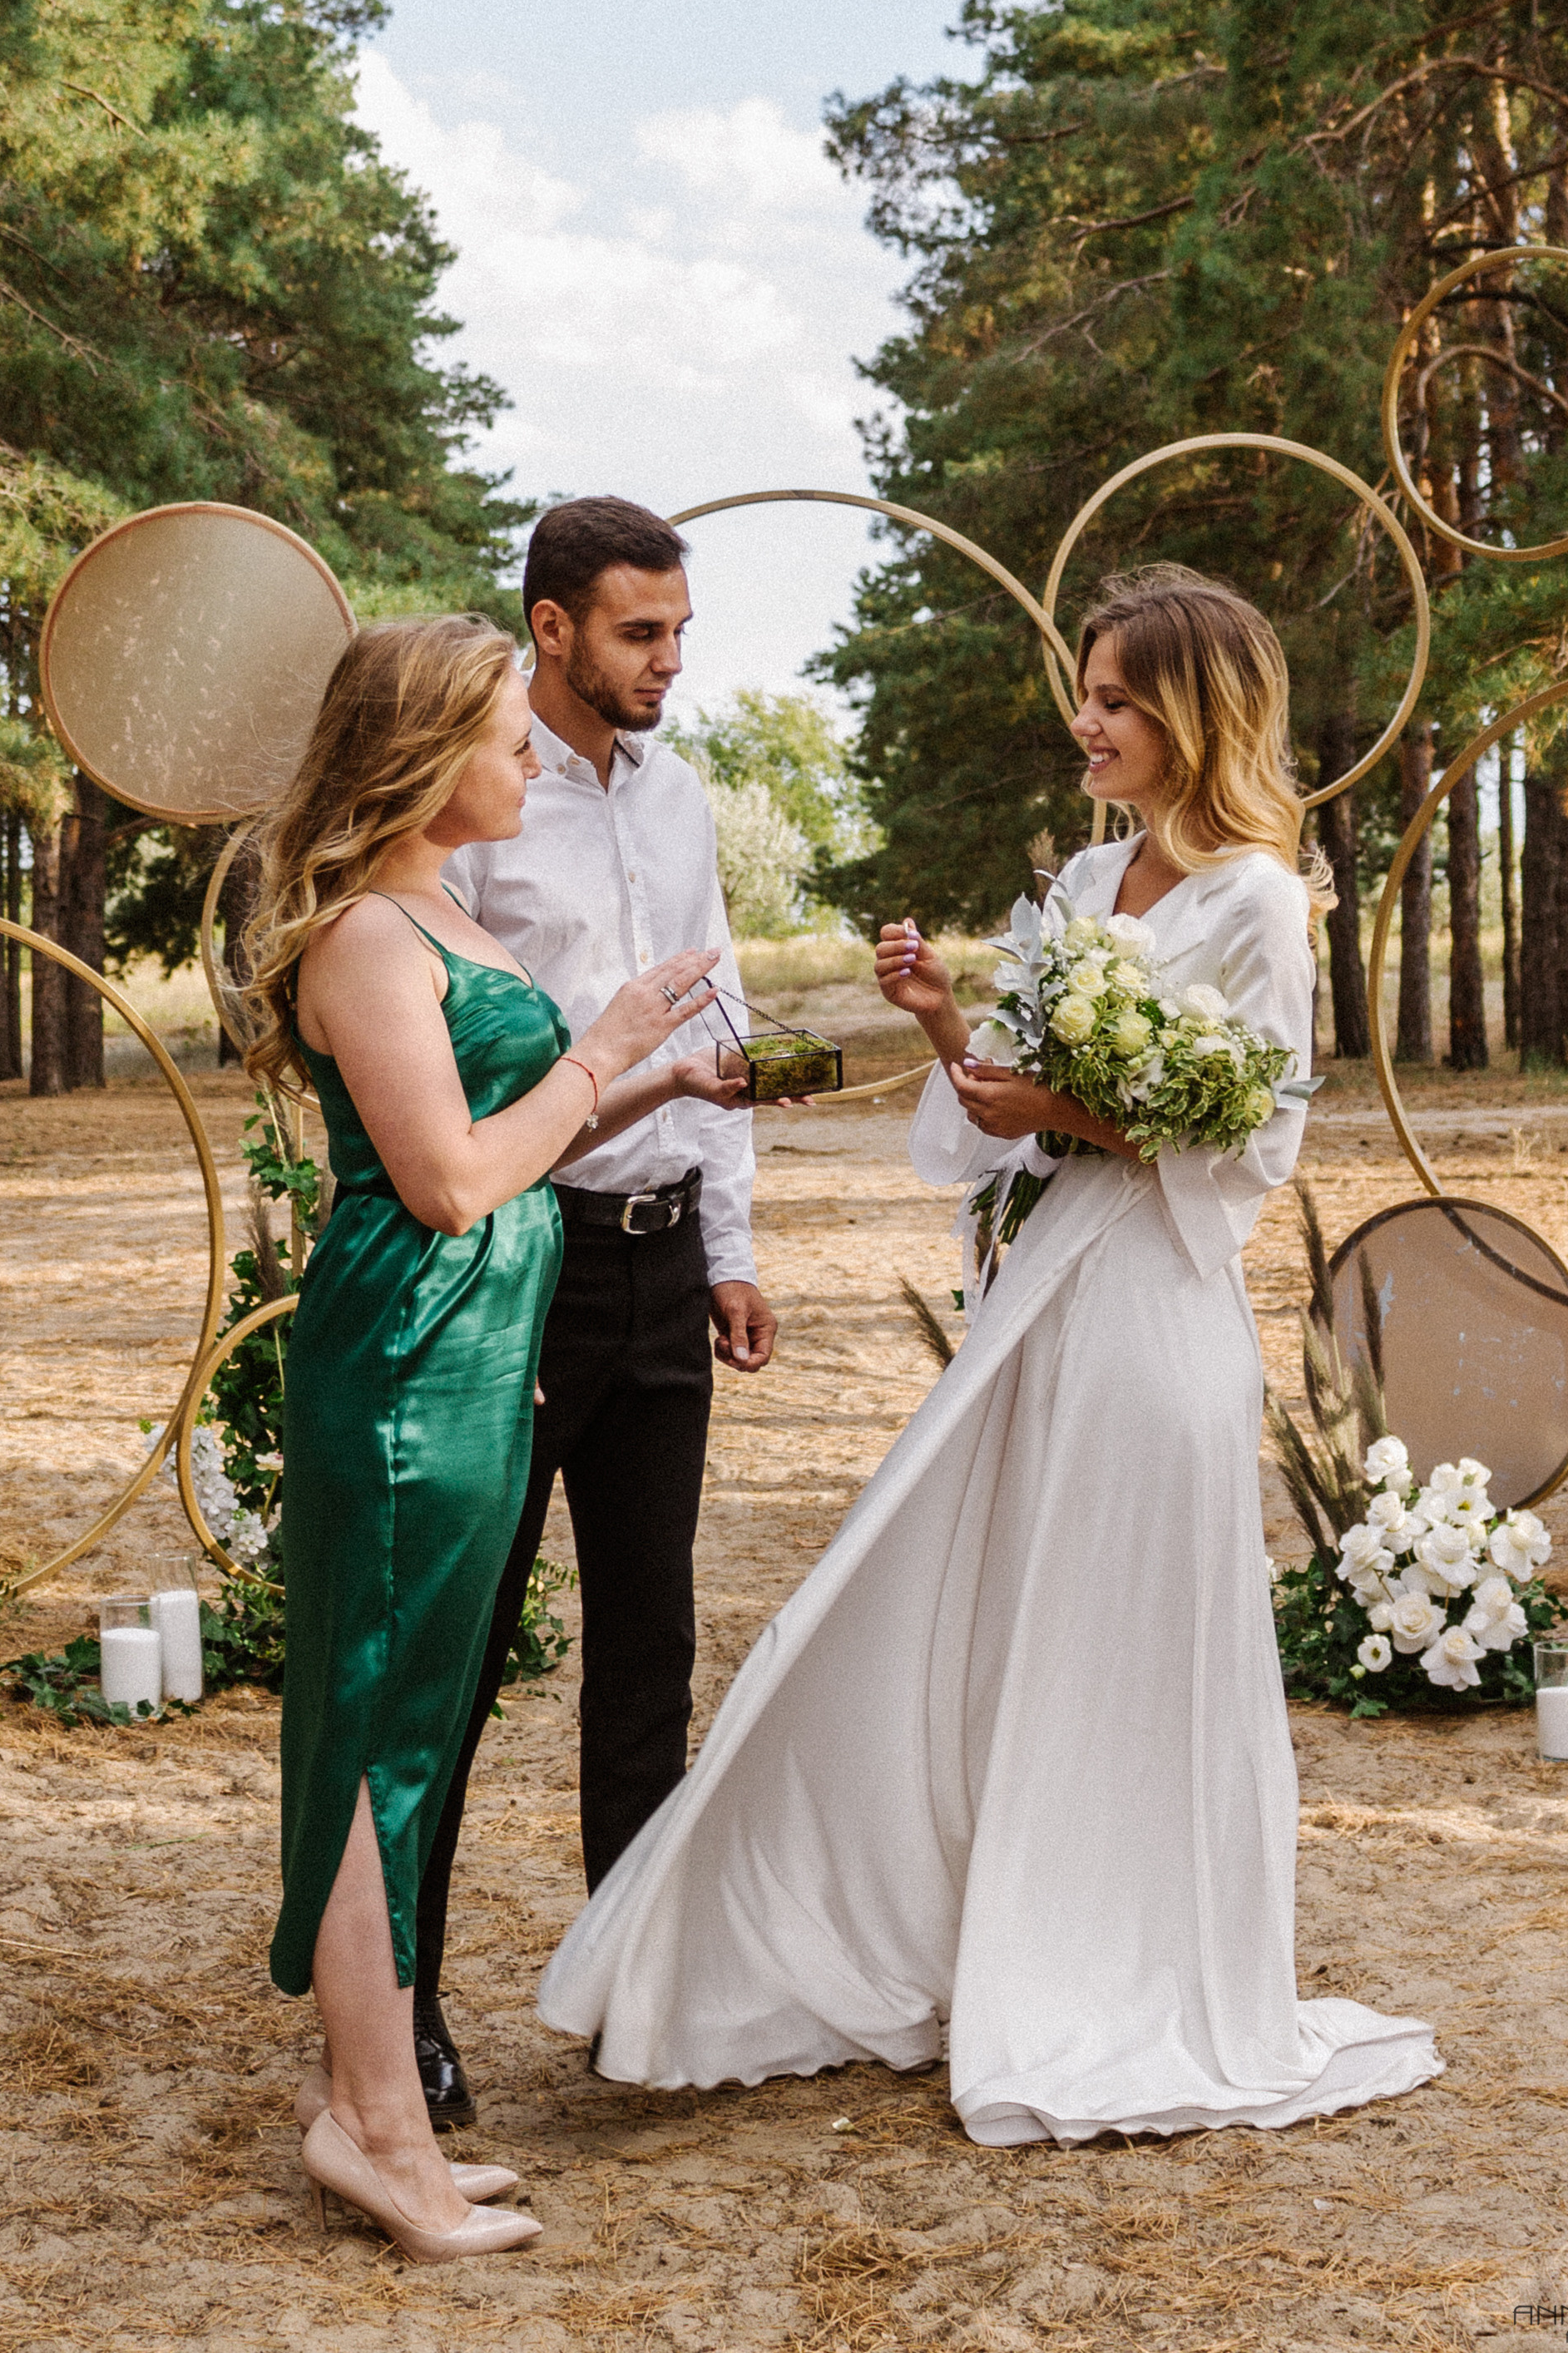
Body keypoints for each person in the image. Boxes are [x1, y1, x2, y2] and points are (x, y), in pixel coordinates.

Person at [536, 565, 1442, 2144]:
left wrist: (1074, 1114)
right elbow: (992, 1119)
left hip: (1154, 1313)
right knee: (974, 1613)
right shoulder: (1089, 888)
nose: (1082, 725)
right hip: (1039, 1299)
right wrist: (952, 1024)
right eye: (1083, 698)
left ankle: (1116, 1964)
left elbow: (1262, 1138)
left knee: (1120, 1639)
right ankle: (892, 1919)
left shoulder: (1255, 901)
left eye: (1110, 702)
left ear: (1188, 716)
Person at [242, 613, 738, 2259]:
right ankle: (378, 2126)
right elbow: (451, 1176)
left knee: (414, 1710)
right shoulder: (367, 937)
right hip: (404, 1365)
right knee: (379, 1736)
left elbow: (519, 1121)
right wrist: (598, 1051)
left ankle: (366, 2104)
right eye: (509, 732)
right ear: (421, 747)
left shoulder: (438, 907)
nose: (534, 755)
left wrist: (663, 1077)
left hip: (472, 1354)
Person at [410, 497, 780, 2131]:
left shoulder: (681, 791)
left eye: (681, 630)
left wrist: (727, 1242)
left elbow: (721, 1016)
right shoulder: (469, 801)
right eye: (641, 632)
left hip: (653, 1263)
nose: (670, 661)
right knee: (458, 1647)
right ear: (551, 626)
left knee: (651, 1640)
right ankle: (398, 2001)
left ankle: (640, 1992)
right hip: (513, 1262)